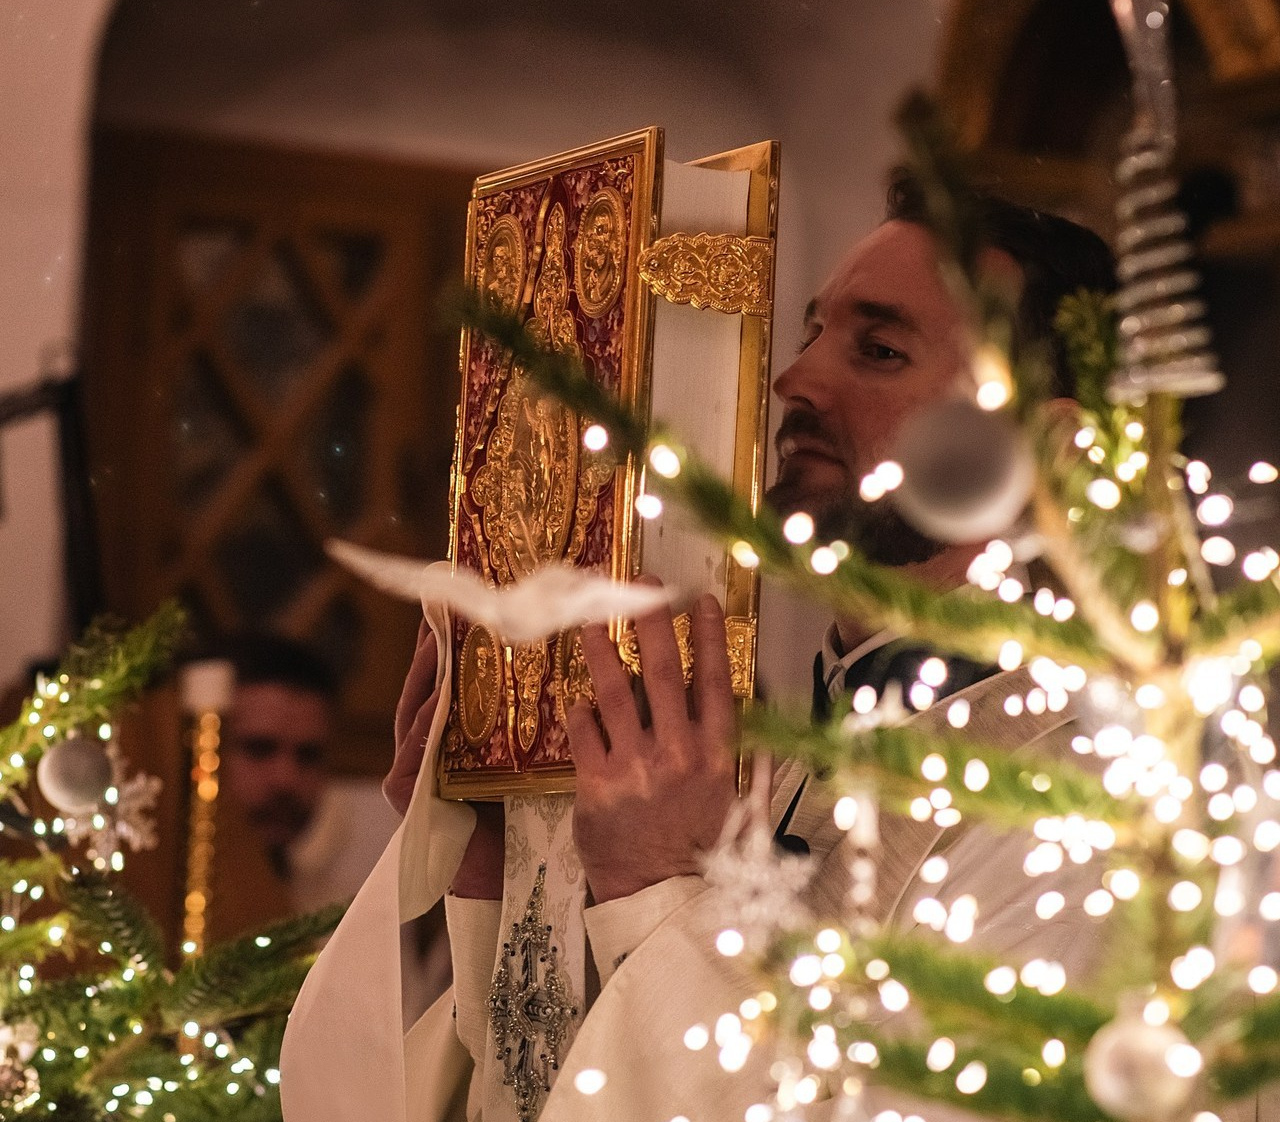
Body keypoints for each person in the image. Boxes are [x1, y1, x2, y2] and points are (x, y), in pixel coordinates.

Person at [280, 181, 1122, 1122]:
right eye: (811, 334)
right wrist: (503, 871)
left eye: (880, 350)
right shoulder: (784, 765)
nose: (794, 379)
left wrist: (660, 887)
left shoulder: (1083, 814)